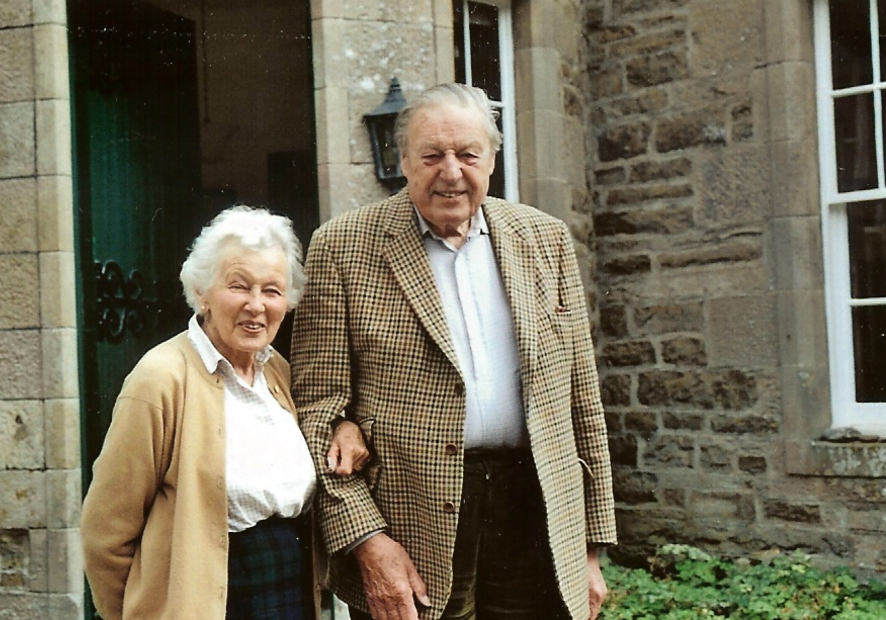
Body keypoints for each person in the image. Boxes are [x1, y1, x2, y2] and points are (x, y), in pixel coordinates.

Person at [290, 83, 617, 620]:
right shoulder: (342, 246)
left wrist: (590, 545)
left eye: (467, 154)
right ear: (402, 160)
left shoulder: (546, 239)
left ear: (491, 158)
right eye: (431, 155)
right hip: (412, 525)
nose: (450, 171)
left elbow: (581, 400)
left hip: (535, 514)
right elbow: (319, 413)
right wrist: (367, 542)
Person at [81, 205, 369, 620]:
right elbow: (105, 533)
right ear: (202, 292)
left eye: (272, 290)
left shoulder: (280, 373)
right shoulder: (161, 378)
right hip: (206, 602)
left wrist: (343, 426)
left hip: (288, 590)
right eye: (239, 286)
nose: (256, 305)